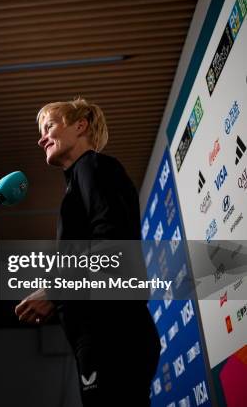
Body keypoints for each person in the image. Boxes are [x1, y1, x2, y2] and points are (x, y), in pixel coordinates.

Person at [15, 98, 160, 406]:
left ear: (80, 126)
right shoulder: (80, 180)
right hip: (102, 337)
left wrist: (55, 292)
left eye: (49, 127)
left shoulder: (93, 166)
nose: (41, 138)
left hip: (114, 335)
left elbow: (113, 243)